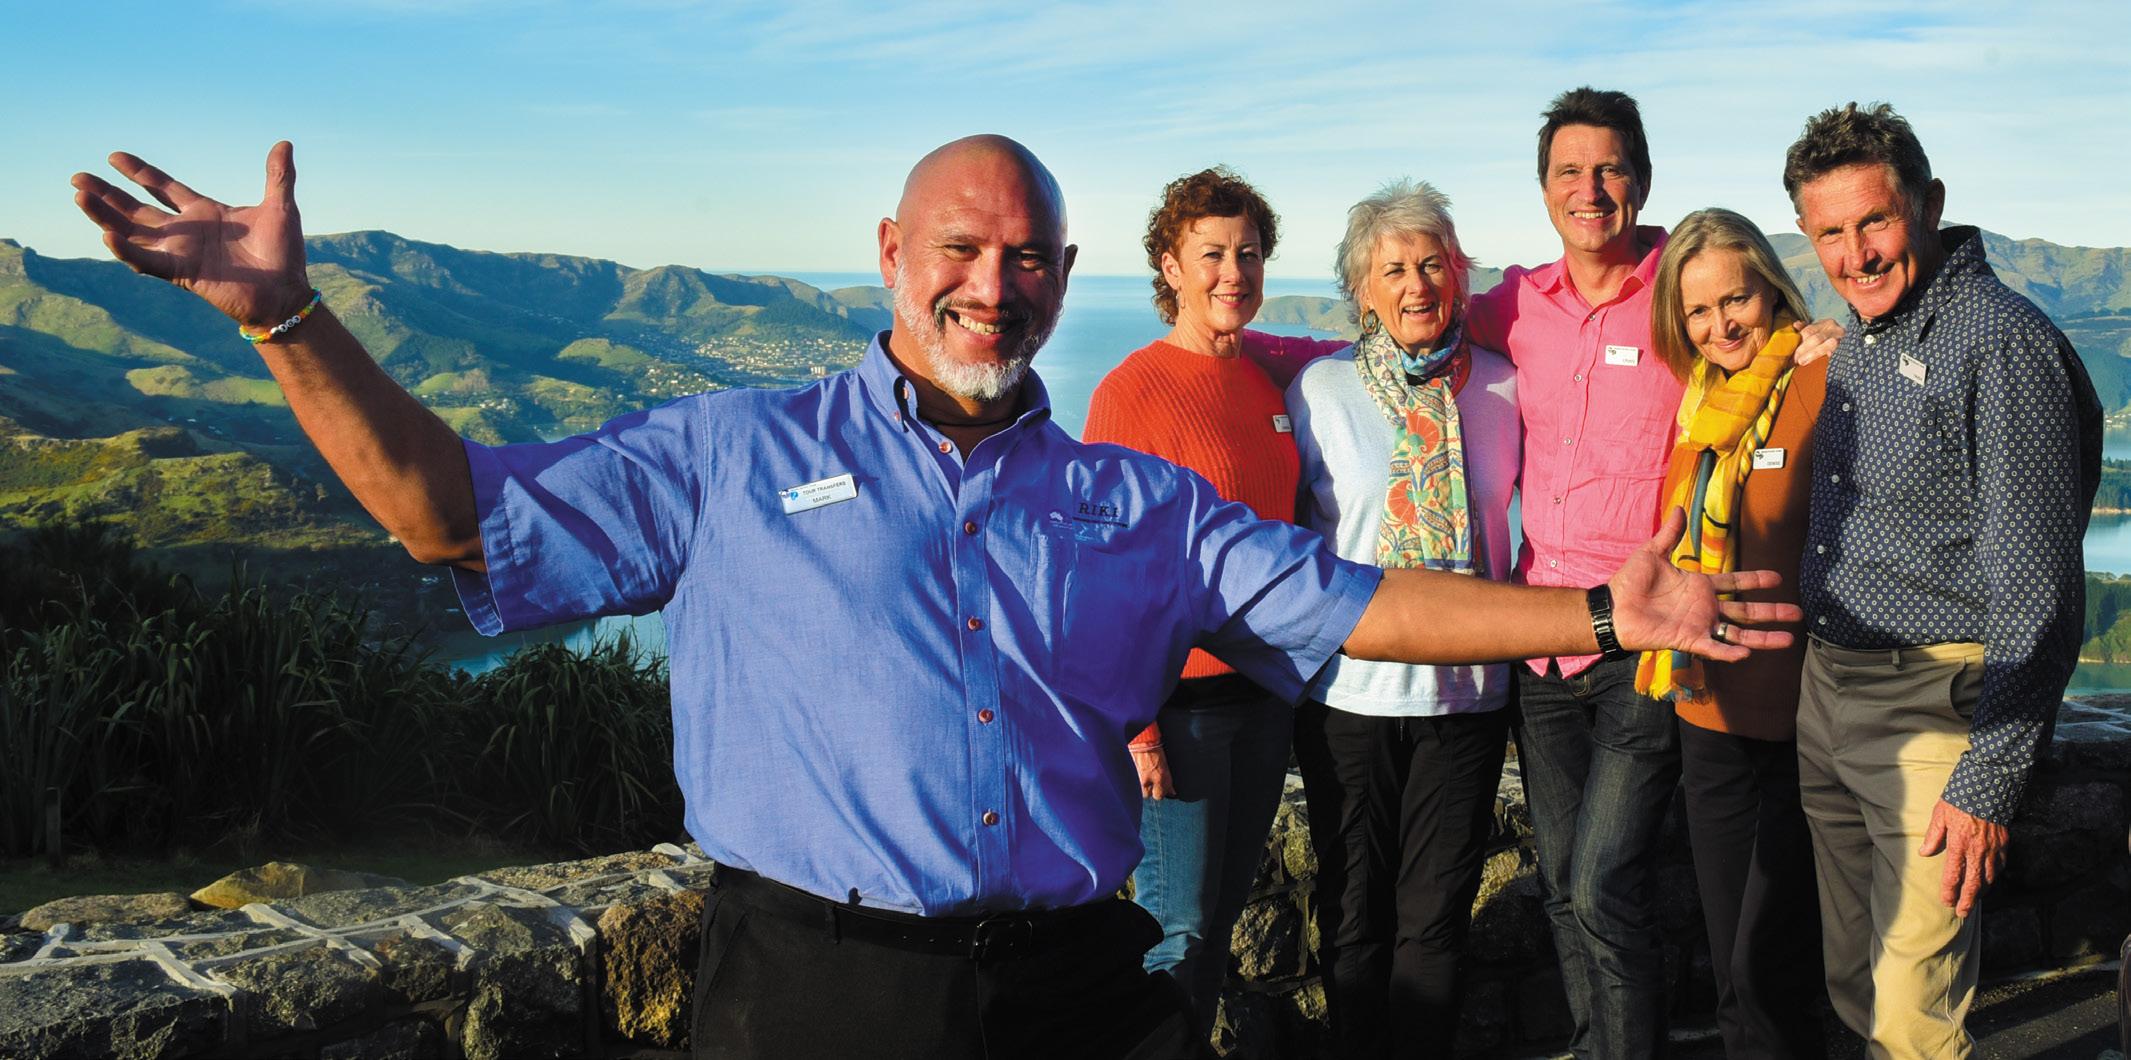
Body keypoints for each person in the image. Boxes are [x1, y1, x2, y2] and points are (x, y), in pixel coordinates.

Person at [70, 135, 1796, 1060]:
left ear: (1062, 276)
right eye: (959, 249)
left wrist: (1601, 611)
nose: (994, 280)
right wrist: (286, 321)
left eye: (1027, 254)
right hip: (814, 995)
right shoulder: (732, 453)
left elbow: (1356, 605)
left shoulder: (1128, 504)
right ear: (891, 257)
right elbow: (449, 521)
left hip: (1075, 987)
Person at [1784, 103, 2101, 1059]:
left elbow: (2038, 590)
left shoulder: (1996, 342)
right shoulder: (1863, 334)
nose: (1855, 255)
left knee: (1911, 1019)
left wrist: (1988, 780)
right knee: (1852, 982)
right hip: (1827, 693)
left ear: (1927, 206)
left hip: (1931, 708)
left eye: (1874, 221)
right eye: (1829, 234)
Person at [1463, 86, 1682, 1059]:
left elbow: (1762, 341)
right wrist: (1240, 349)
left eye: (1607, 169)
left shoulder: (1684, 287)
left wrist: (1812, 342)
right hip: (1542, 638)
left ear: (1641, 179)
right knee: (1560, 884)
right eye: (1567, 172)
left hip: (1643, 641)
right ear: (1544, 188)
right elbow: (1404, 323)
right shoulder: (1514, 303)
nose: (1588, 190)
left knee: (1602, 883)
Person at [1282, 179, 1518, 1059]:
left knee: (1435, 922)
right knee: (1352, 919)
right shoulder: (1320, 391)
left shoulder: (1505, 387)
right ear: (1362, 289)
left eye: (1432, 264)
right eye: (1393, 270)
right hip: (1350, 697)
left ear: (1458, 274)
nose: (1416, 284)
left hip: (1468, 697)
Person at [1082, 168, 1297, 1039]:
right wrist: (1137, 731)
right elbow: (1097, 569)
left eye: (1248, 254)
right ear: (1169, 267)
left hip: (1264, 695)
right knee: (1176, 929)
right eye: (1211, 254)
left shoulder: (1264, 379)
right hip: (1179, 706)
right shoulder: (1131, 391)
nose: (1232, 273)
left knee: (1223, 913)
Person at [1638, 207, 1829, 1059]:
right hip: (1705, 706)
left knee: (1771, 966)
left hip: (1799, 717)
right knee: (1730, 966)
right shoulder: (1698, 408)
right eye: (1697, 311)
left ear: (1771, 292)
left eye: (1735, 300)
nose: (1719, 326)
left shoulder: (1820, 377)